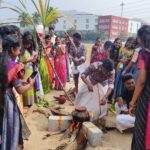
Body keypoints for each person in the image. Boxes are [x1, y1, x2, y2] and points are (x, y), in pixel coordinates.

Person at [0, 34, 34, 149]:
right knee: (9, 129)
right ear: (12, 49)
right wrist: (30, 84)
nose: (19, 52)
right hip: (6, 101)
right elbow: (20, 90)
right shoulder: (14, 66)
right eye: (18, 50)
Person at [129, 25, 150, 150]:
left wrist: (132, 102)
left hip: (147, 96)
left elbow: (141, 80)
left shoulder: (144, 53)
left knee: (142, 127)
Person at [20, 38, 36, 107]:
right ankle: (26, 102)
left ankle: (30, 101)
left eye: (29, 44)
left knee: (31, 83)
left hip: (30, 69)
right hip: (25, 70)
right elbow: (21, 62)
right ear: (24, 44)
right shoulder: (22, 51)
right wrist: (30, 60)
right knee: (26, 83)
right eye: (28, 44)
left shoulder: (28, 50)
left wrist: (33, 60)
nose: (29, 45)